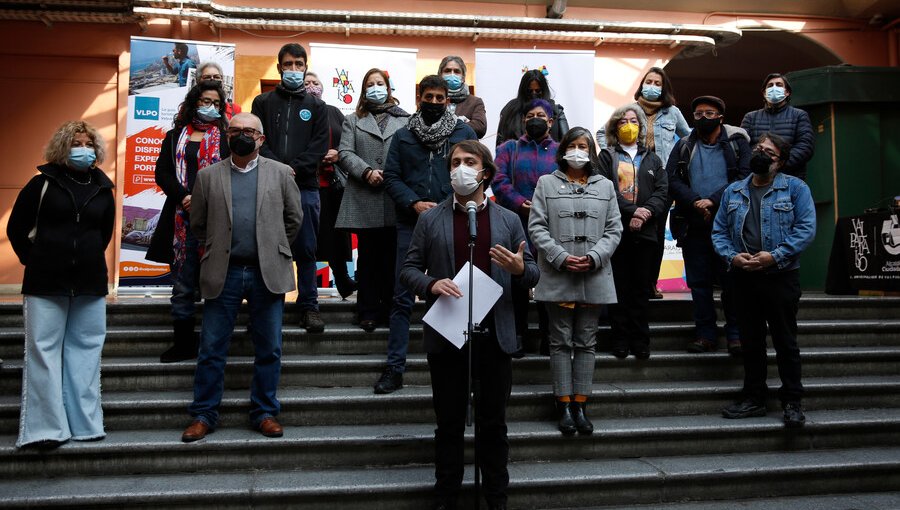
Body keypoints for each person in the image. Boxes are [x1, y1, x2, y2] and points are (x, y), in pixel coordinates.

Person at [400, 140, 539, 510]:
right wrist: (431, 284)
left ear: (485, 172)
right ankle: (446, 496)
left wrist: (521, 269)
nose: (460, 168)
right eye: (455, 162)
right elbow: (408, 270)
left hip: (495, 335)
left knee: (493, 425)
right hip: (448, 336)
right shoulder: (430, 219)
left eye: (469, 161)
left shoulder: (509, 220)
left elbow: (534, 271)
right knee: (448, 423)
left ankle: (496, 497)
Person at [181, 113, 302, 442]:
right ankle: (204, 414)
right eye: (235, 130)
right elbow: (199, 225)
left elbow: (294, 218)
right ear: (226, 135)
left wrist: (272, 247)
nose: (241, 136)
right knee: (211, 349)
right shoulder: (207, 177)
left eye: (249, 131)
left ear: (261, 139)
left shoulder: (280, 174)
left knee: (270, 349)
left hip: (267, 272)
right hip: (225, 272)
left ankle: (264, 412)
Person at [7, 121, 115, 447]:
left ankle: (86, 426)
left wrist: (87, 260)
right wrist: (37, 260)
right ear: (62, 148)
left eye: (88, 143)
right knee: (43, 353)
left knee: (86, 353)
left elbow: (103, 234)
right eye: (75, 143)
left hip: (90, 282)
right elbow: (16, 229)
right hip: (45, 282)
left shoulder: (102, 188)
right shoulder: (41, 184)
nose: (83, 149)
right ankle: (46, 429)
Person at [378, 75, 478, 394]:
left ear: (449, 100)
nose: (434, 102)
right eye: (429, 97)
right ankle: (395, 368)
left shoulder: (463, 133)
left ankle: (457, 365)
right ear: (419, 96)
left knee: (454, 293)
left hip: (453, 219)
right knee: (402, 294)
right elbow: (391, 176)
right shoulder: (404, 134)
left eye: (440, 98)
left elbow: (473, 172)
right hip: (412, 221)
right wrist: (414, 202)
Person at [712, 132, 816, 428]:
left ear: (780, 161)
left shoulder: (795, 188)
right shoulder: (733, 192)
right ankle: (754, 397)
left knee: (785, 341)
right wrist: (732, 256)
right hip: (743, 278)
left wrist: (776, 256)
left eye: (768, 152)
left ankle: (792, 401)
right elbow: (718, 231)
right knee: (751, 341)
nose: (760, 153)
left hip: (780, 276)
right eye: (757, 148)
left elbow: (806, 229)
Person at [529, 127, 623, 435]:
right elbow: (537, 227)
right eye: (574, 145)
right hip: (558, 274)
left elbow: (614, 230)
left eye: (584, 146)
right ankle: (563, 404)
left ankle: (581, 404)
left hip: (594, 274)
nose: (579, 151)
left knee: (587, 342)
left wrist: (595, 257)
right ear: (564, 149)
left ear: (592, 151)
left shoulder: (606, 186)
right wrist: (560, 256)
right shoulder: (545, 183)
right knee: (559, 341)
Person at [146, 80, 230, 363]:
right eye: (206, 101)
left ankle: (212, 343)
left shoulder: (227, 137)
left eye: (217, 104)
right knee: (182, 284)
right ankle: (183, 343)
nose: (211, 107)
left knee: (215, 283)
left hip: (215, 220)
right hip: (181, 220)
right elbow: (163, 174)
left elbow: (231, 175)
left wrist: (205, 199)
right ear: (195, 102)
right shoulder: (174, 136)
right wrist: (184, 196)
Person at [251, 43, 329, 333]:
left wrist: (293, 169)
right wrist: (279, 170)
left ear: (305, 67)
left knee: (307, 250)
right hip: (268, 186)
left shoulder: (317, 107)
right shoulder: (262, 102)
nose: (294, 70)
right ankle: (268, 306)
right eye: (288, 64)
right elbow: (260, 140)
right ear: (279, 67)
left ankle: (309, 307)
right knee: (268, 248)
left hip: (305, 188)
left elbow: (319, 146)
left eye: (299, 64)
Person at [596, 67, 690, 299]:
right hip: (627, 176)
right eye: (648, 81)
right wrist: (614, 153)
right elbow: (602, 132)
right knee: (624, 226)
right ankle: (624, 280)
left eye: (657, 82)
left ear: (663, 87)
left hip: (659, 179)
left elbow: (687, 137)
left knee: (656, 233)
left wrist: (678, 164)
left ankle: (650, 282)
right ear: (641, 84)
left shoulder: (673, 112)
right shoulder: (629, 110)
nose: (652, 86)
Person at [666, 96, 750, 356]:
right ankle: (706, 334)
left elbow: (744, 176)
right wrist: (695, 202)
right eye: (698, 113)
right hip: (693, 223)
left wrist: (712, 201)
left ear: (721, 117)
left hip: (730, 224)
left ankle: (736, 335)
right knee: (699, 284)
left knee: (732, 282)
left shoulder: (738, 142)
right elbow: (670, 179)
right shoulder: (682, 145)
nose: (703, 117)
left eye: (709, 113)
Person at [336, 68, 410, 331]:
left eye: (380, 83)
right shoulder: (353, 119)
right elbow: (344, 152)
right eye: (370, 84)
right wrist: (366, 171)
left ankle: (390, 310)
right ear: (364, 89)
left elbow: (409, 155)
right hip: (364, 196)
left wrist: (390, 175)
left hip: (394, 198)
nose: (375, 88)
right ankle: (367, 311)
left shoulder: (405, 120)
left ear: (388, 88)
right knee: (367, 259)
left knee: (392, 259)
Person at [598, 105, 668, 359]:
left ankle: (640, 340)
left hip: (647, 232)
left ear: (641, 126)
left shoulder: (653, 158)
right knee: (619, 288)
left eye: (633, 121)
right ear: (615, 127)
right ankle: (620, 339)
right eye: (623, 121)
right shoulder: (606, 156)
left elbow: (662, 191)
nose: (629, 125)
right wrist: (632, 211)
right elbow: (605, 190)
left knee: (640, 289)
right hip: (616, 231)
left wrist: (646, 213)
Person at [492, 98, 559, 353]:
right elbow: (499, 180)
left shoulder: (560, 151)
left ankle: (547, 335)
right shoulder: (509, 148)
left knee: (547, 279)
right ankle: (518, 335)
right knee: (517, 281)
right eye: (530, 116)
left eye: (540, 115)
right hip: (515, 223)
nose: (535, 119)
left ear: (551, 121)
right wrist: (520, 203)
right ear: (523, 121)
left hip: (550, 225)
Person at [304, 71, 357, 299]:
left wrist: (338, 153)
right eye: (307, 82)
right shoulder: (298, 113)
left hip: (334, 185)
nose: (311, 86)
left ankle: (343, 279)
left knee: (336, 235)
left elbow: (347, 141)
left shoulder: (334, 112)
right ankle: (307, 289)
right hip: (307, 182)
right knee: (309, 237)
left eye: (316, 82)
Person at [740, 73, 815, 180]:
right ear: (764, 93)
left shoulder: (799, 115)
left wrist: (777, 164)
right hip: (758, 178)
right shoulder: (750, 117)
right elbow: (744, 148)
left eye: (779, 85)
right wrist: (759, 164)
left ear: (787, 92)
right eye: (770, 85)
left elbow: (805, 147)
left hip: (790, 179)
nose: (774, 88)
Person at [495, 69, 569, 146]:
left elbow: (567, 143)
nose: (534, 94)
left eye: (538, 91)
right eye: (529, 91)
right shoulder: (510, 110)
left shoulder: (556, 111)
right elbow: (500, 143)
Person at [438, 55, 487, 138]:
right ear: (440, 75)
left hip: (464, 149)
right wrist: (463, 122)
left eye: (457, 71)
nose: (452, 75)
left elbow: (480, 128)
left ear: (463, 77)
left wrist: (447, 124)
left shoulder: (475, 102)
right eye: (447, 71)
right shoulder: (434, 98)